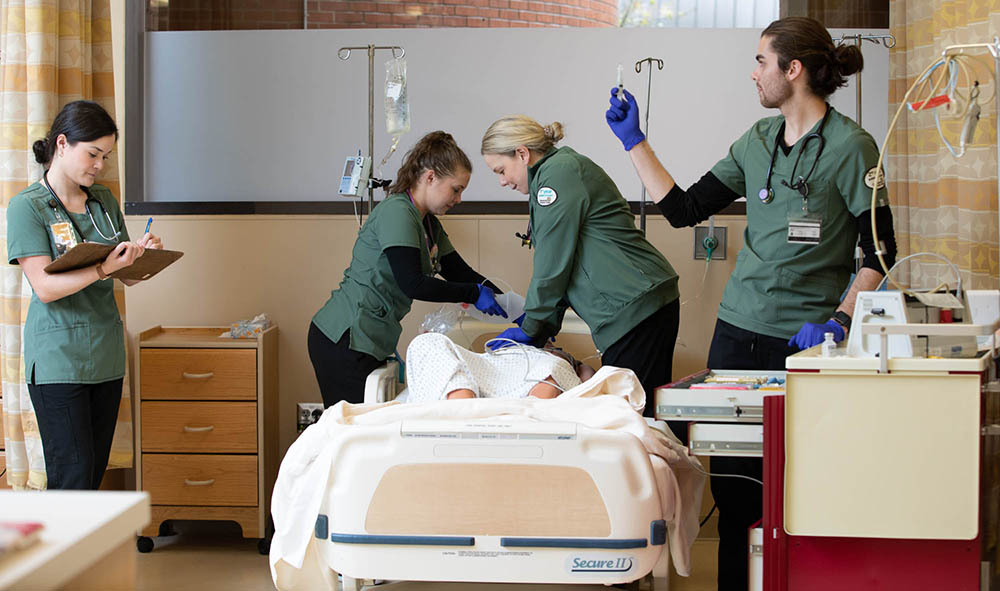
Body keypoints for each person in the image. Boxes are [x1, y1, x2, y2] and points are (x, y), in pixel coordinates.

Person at [605, 17, 898, 591]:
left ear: (794, 70)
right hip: (738, 335)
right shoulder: (757, 142)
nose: (754, 72)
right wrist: (634, 141)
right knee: (736, 491)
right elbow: (684, 209)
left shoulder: (851, 147)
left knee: (798, 484)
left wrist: (840, 319)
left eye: (762, 61)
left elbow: (881, 250)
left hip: (804, 342)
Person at [6, 100, 163, 490]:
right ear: (62, 144)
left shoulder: (103, 201)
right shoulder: (28, 207)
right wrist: (103, 268)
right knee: (72, 478)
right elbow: (44, 287)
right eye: (93, 154)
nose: (99, 165)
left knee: (92, 476)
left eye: (105, 156)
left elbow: (125, 276)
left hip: (105, 356)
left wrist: (141, 255)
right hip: (58, 360)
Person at [481, 115, 680, 419]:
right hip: (636, 304)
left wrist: (532, 327)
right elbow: (564, 266)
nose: (502, 181)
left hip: (634, 306)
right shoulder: (555, 174)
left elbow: (552, 264)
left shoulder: (557, 176)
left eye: (501, 170)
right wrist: (540, 330)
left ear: (522, 154)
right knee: (639, 414)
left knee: (630, 417)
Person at [309, 131, 507, 408]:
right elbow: (412, 283)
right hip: (345, 337)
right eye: (456, 189)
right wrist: (473, 294)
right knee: (349, 426)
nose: (459, 199)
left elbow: (461, 273)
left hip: (369, 339)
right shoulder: (397, 212)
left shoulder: (428, 224)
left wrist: (514, 308)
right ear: (430, 177)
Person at [404, 332, 596, 402]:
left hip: (538, 372)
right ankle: (463, 406)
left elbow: (590, 380)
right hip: (491, 368)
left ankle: (525, 417)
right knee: (427, 341)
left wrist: (561, 358)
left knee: (552, 368)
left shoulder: (555, 358)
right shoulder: (497, 353)